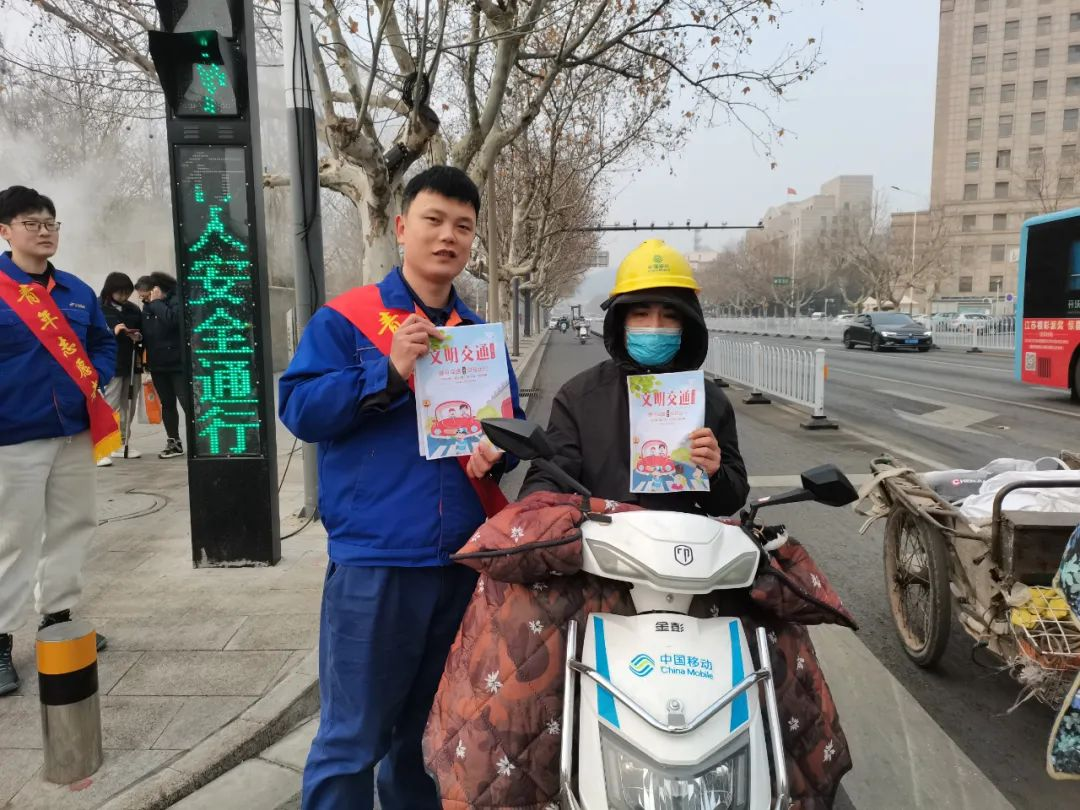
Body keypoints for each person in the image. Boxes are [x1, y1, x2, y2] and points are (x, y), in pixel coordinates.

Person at [279, 166, 525, 810]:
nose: (448, 236)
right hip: (377, 564)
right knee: (352, 739)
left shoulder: (476, 336)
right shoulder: (347, 320)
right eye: (433, 220)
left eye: (463, 226)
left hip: (460, 563)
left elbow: (509, 428)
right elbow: (299, 410)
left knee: (428, 738)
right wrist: (386, 371)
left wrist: (499, 452)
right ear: (400, 227)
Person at [521, 239, 749, 515]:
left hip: (681, 540)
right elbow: (549, 475)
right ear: (621, 323)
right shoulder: (579, 397)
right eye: (641, 314)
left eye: (669, 316)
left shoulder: (710, 400)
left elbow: (733, 499)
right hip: (599, 538)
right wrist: (535, 508)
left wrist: (715, 473)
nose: (655, 327)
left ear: (687, 324)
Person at [0, 185, 114, 697]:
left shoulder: (76, 290)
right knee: (13, 538)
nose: (45, 231)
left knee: (74, 524)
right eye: (32, 223)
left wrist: (96, 376)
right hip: (13, 436)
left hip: (74, 431)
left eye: (51, 223)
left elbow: (102, 343)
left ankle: (58, 617)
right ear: (5, 232)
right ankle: (0, 639)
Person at [98, 272, 143, 466]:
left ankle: (122, 443)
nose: (125, 297)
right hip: (111, 365)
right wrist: (113, 332)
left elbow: (143, 331)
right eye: (121, 293)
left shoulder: (133, 309)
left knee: (128, 407)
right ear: (110, 290)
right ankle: (102, 447)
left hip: (131, 363)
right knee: (110, 406)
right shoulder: (98, 307)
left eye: (127, 293)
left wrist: (138, 337)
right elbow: (94, 335)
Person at [139, 271, 185, 459]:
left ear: (156, 290)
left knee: (186, 402)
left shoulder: (175, 301)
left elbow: (173, 321)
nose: (144, 300)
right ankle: (173, 441)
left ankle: (200, 440)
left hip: (178, 363)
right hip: (158, 363)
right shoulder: (148, 308)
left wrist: (157, 302)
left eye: (146, 296)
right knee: (167, 404)